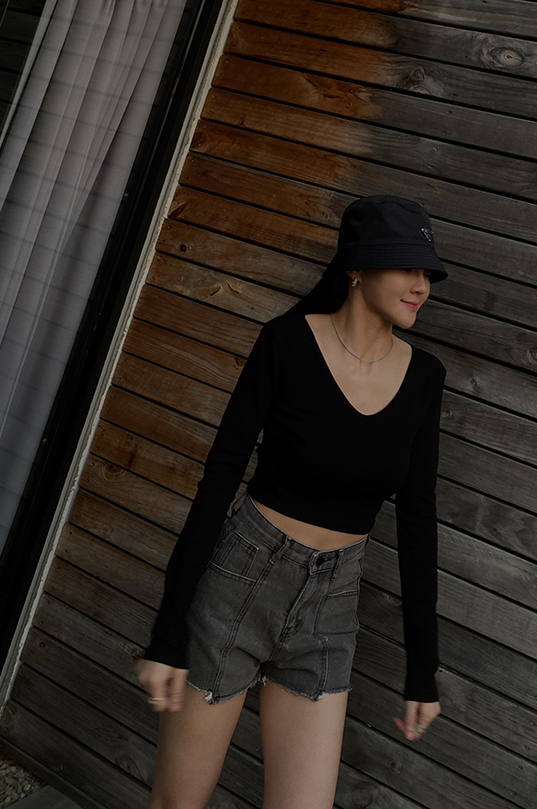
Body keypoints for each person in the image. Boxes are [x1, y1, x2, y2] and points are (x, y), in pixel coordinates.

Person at [136, 195, 449, 808]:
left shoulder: (425, 377)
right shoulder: (285, 343)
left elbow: (418, 520)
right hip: (241, 583)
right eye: (406, 267)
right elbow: (219, 480)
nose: (422, 286)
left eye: (428, 273)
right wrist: (168, 635)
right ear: (355, 267)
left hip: (332, 604)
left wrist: (422, 669)